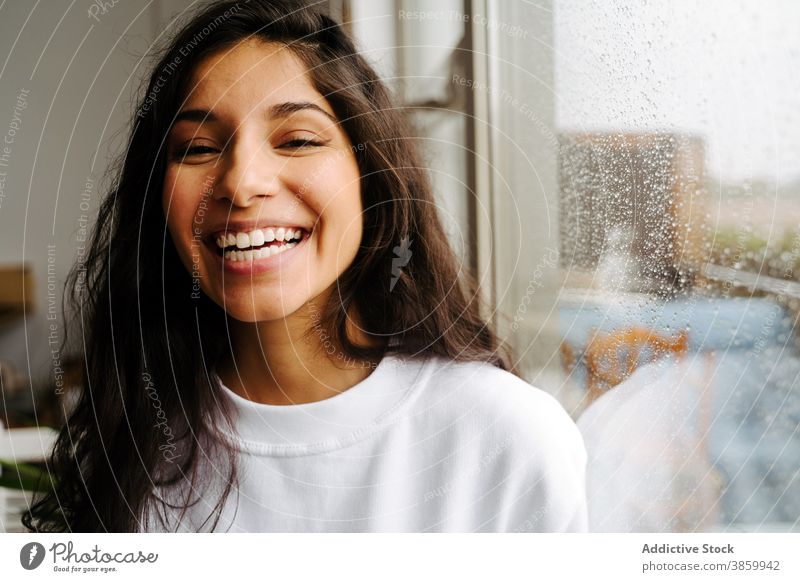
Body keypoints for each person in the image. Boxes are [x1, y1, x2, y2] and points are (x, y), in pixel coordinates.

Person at [23, 0, 587, 533]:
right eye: (196, 148)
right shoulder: (130, 434)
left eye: (296, 139)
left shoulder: (509, 439)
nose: (242, 183)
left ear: (372, 175)